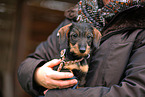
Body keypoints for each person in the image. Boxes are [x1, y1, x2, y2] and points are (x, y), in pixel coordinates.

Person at [17, 0, 145, 97]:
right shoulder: (76, 16)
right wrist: (38, 75)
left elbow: (136, 90)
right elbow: (27, 66)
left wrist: (59, 95)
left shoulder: (140, 25)